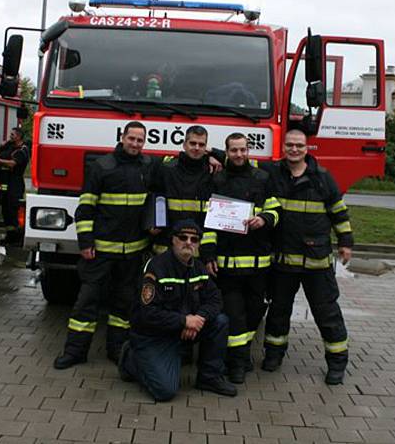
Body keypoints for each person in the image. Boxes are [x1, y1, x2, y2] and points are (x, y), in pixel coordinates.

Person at [54, 121, 157, 369]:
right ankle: (75, 351)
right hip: (99, 251)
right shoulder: (102, 166)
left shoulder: (147, 166)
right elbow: (85, 207)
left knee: (124, 305)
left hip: (132, 252)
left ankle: (116, 349)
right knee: (86, 302)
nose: (135, 144)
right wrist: (85, 241)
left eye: (140, 140)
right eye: (131, 138)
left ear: (144, 142)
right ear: (122, 138)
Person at [261, 129, 353, 385]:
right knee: (278, 311)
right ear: (284, 148)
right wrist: (215, 156)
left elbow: (339, 212)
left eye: (299, 145)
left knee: (327, 314)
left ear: (306, 148)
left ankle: (336, 363)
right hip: (283, 261)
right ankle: (274, 355)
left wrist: (346, 242)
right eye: (289, 145)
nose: (294, 149)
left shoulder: (322, 178)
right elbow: (240, 160)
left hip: (316, 263)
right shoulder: (272, 174)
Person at [118, 219, 237, 400]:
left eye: (194, 239)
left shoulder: (198, 268)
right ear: (173, 240)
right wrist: (184, 321)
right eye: (183, 237)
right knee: (165, 392)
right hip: (153, 336)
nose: (188, 242)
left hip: (181, 331)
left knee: (220, 321)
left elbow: (215, 299)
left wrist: (198, 318)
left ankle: (209, 377)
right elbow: (148, 313)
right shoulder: (156, 268)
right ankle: (130, 359)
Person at [210, 133, 281, 384]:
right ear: (226, 152)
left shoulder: (262, 178)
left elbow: (275, 209)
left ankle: (239, 355)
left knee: (255, 311)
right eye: (234, 150)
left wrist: (264, 219)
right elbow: (208, 224)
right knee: (235, 314)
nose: (239, 155)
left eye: (243, 150)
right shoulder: (217, 180)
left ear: (248, 151)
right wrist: (209, 253)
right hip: (228, 265)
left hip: (258, 264)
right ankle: (236, 364)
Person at [150, 125, 218, 265]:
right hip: (165, 248)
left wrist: (212, 154)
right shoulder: (166, 169)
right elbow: (153, 197)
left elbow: (238, 160)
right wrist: (152, 222)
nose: (197, 148)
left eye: (201, 144)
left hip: (198, 253)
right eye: (192, 143)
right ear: (184, 144)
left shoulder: (212, 172)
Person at [0, 127, 30, 243]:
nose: (10, 136)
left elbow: (12, 164)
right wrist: (2, 145)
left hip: (15, 183)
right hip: (6, 183)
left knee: (13, 210)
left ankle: (16, 237)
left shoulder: (22, 150)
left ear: (19, 136)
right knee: (5, 210)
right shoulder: (9, 147)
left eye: (12, 135)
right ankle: (9, 235)